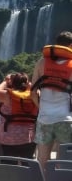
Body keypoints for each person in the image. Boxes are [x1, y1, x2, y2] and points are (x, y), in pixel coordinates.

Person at [31, 31, 72, 171]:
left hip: (44, 118)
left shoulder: (41, 62)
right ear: (70, 46)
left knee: (42, 159)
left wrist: (41, 106)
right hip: (65, 119)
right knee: (63, 160)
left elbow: (33, 92)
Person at [0, 72, 38, 160]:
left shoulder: (7, 96)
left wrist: (5, 81)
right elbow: (35, 89)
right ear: (27, 83)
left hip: (8, 138)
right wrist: (28, 83)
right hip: (28, 138)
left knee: (10, 165)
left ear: (12, 83)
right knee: (27, 164)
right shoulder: (34, 96)